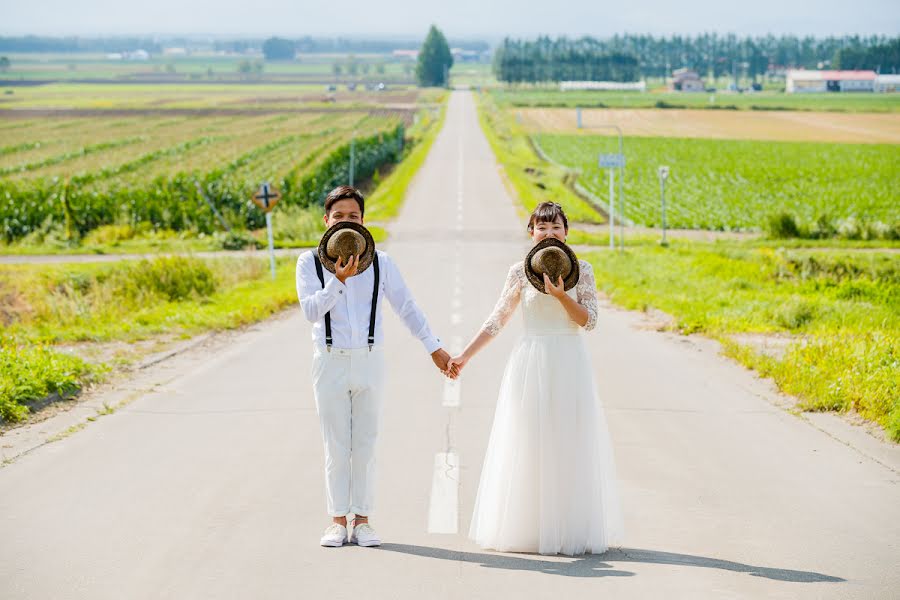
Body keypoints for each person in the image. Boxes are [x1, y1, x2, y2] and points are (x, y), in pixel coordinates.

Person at [449, 201, 624, 556]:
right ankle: (530, 527)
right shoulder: (519, 272)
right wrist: (464, 356)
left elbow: (588, 321)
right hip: (531, 362)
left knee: (568, 441)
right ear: (531, 233)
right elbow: (497, 320)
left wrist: (561, 296)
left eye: (556, 227)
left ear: (566, 232)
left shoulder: (583, 270)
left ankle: (566, 528)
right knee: (529, 439)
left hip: (568, 361)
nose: (549, 233)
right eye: (541, 228)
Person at [296, 185, 457, 548]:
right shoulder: (308, 263)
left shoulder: (383, 263)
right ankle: (337, 521)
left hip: (370, 361)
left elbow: (407, 308)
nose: (346, 221)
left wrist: (434, 347)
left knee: (365, 443)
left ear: (363, 220)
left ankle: (364, 520)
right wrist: (338, 280)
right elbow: (310, 311)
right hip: (329, 361)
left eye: (353, 216)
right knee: (336, 445)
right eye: (338, 216)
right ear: (326, 221)